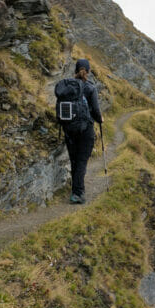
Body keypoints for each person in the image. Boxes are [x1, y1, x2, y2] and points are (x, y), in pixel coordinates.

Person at [64, 58, 102, 204]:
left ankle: (76, 188)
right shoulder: (90, 88)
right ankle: (77, 193)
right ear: (89, 70)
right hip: (86, 130)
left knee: (74, 160)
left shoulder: (68, 86)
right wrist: (101, 119)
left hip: (69, 128)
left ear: (75, 70)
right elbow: (97, 111)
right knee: (81, 161)